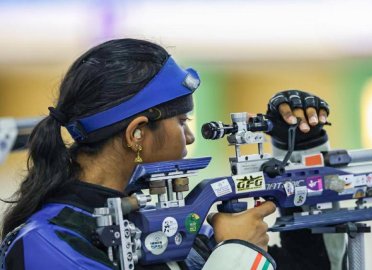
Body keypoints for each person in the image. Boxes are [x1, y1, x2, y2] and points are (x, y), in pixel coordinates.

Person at [0, 38, 343, 270]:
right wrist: (235, 252)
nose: (190, 136)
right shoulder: (47, 244)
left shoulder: (165, 220)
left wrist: (302, 148)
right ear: (136, 133)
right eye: (182, 122)